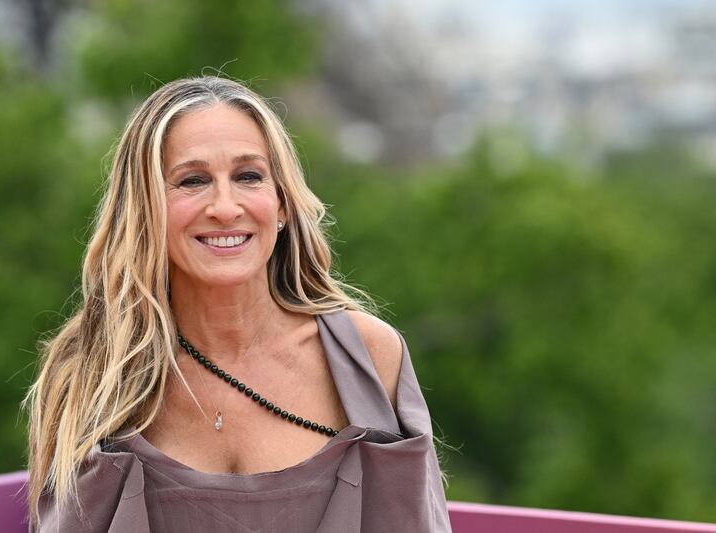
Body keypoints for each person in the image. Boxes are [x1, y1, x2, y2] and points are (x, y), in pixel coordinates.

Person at [25, 75, 452, 532]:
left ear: (282, 203)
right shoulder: (94, 370)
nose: (226, 208)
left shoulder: (369, 357)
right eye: (192, 181)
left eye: (249, 176)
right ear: (146, 209)